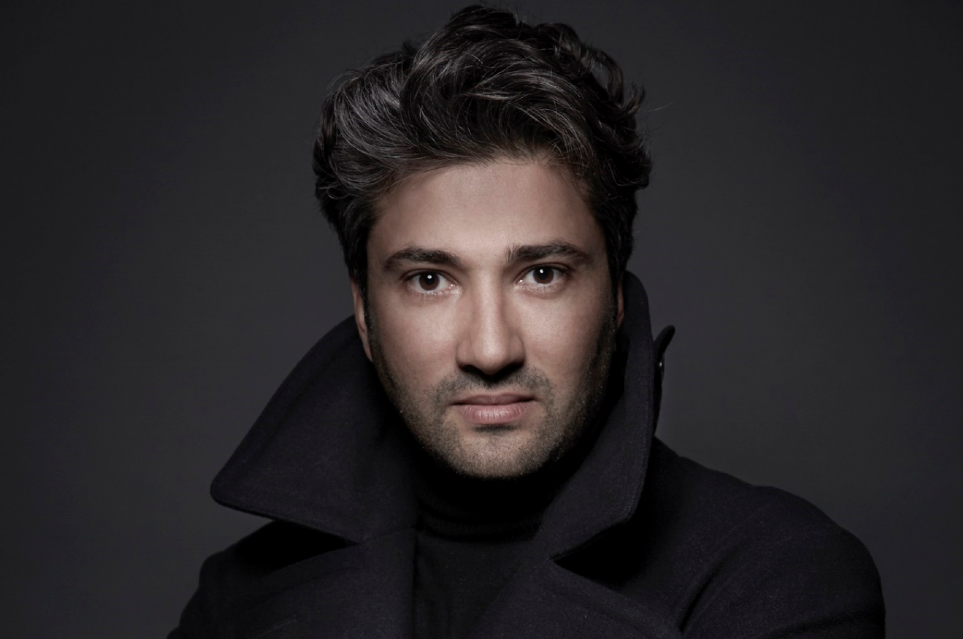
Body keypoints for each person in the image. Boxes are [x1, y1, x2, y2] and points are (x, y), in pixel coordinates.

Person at [169, 6, 884, 638]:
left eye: (541, 274)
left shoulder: (777, 576)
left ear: (615, 296)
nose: (490, 349)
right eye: (430, 279)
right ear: (364, 312)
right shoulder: (239, 600)